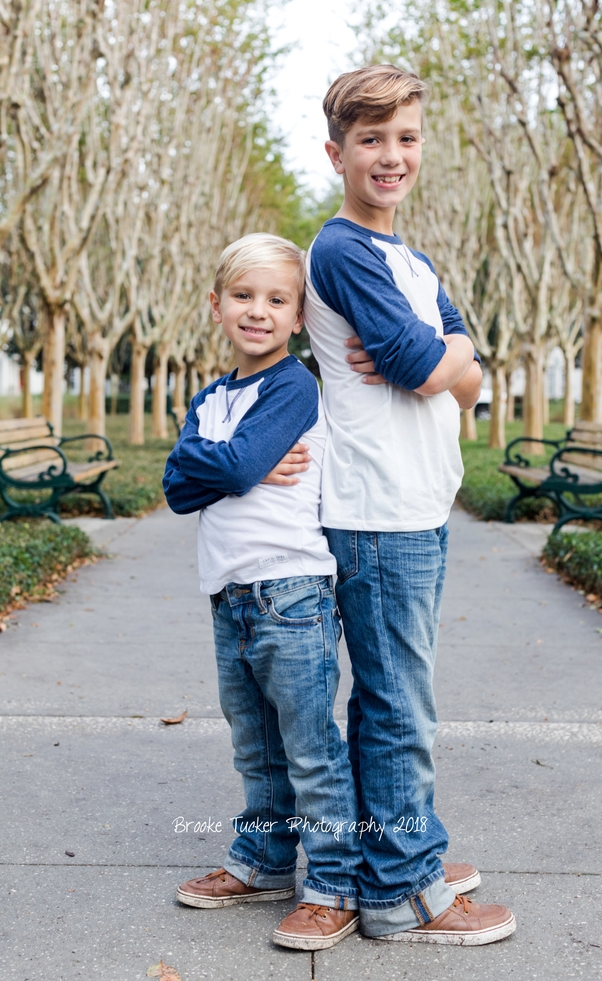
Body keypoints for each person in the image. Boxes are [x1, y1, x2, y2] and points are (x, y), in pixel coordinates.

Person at [293, 63, 516, 944]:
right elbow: (432, 366)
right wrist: (439, 362)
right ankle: (402, 889)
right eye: (372, 139)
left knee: (396, 697)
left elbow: (464, 367)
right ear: (337, 152)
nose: (392, 156)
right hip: (378, 509)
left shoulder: (408, 260)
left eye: (407, 137)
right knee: (398, 702)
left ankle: (399, 850)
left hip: (417, 503)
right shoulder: (344, 250)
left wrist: (445, 361)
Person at [162, 233, 363, 951]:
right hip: (230, 597)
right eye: (243, 296)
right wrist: (227, 464)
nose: (258, 311)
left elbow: (234, 463)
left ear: (299, 316)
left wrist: (226, 463)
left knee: (309, 747)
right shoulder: (212, 396)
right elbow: (176, 486)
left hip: (292, 593)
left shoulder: (292, 386)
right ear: (216, 306)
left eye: (276, 299)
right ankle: (266, 860)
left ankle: (334, 882)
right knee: (255, 747)